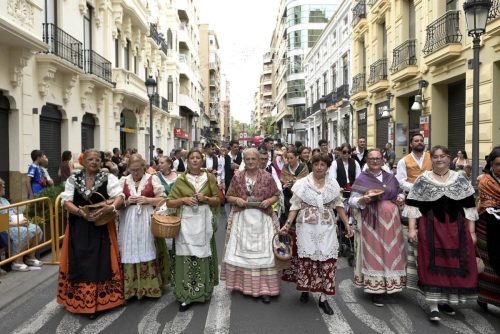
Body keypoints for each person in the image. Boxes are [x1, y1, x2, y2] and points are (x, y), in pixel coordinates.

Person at [403, 145, 478, 322]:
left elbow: (469, 206)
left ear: (448, 158)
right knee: (430, 262)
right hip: (431, 227)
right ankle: (434, 305)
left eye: (442, 156)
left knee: (452, 264)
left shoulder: (460, 179)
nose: (439, 160)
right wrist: (412, 229)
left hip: (456, 229)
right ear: (432, 159)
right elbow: (413, 206)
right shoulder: (423, 180)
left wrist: (472, 232)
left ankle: (446, 301)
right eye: (435, 157)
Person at [280, 153, 353, 315]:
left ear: (327, 167)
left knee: (327, 260)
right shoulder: (302, 183)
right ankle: (305, 289)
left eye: (323, 165)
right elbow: (295, 206)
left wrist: (347, 225)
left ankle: (324, 298)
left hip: (327, 228)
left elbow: (339, 205)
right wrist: (287, 225)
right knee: (306, 260)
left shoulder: (333, 184)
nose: (319, 167)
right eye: (316, 164)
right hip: (306, 227)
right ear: (312, 165)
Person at [57, 149, 124, 318]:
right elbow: (66, 201)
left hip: (102, 225)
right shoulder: (73, 179)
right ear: (83, 161)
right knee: (79, 260)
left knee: (101, 261)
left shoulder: (109, 178)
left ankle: (99, 302)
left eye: (97, 159)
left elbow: (120, 196)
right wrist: (81, 213)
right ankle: (81, 301)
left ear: (101, 162)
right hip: (78, 226)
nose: (94, 162)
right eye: (90, 159)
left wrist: (111, 207)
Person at [349, 149, 406, 306]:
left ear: (383, 160)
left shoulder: (390, 177)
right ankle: (377, 290)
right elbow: (352, 201)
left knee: (392, 251)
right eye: (371, 159)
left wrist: (401, 198)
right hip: (371, 221)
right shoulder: (362, 178)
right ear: (366, 160)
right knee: (375, 253)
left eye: (378, 158)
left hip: (392, 223)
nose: (375, 161)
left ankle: (391, 284)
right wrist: (363, 199)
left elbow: (399, 194)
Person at [222, 148, 280, 303]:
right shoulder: (238, 177)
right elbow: (228, 196)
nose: (251, 162)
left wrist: (269, 201)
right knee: (243, 253)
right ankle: (243, 286)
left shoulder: (267, 177)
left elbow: (276, 194)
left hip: (263, 219)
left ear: (259, 159)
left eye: (254, 159)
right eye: (248, 159)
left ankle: (266, 289)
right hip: (243, 219)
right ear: (244, 160)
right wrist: (236, 200)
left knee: (265, 253)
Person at [166, 149, 220, 312]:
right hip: (186, 225)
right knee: (185, 256)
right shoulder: (181, 180)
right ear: (187, 161)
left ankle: (203, 292)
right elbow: (169, 202)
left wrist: (206, 199)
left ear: (202, 161)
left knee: (203, 255)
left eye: (198, 158)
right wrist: (183, 200)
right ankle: (185, 295)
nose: (195, 160)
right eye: (192, 158)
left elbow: (218, 200)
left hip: (204, 222)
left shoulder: (209, 177)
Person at [119, 154, 170, 300]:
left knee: (148, 246)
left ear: (144, 167)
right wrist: (127, 202)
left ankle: (150, 287)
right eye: (132, 170)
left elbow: (163, 199)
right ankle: (132, 288)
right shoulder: (123, 181)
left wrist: (148, 199)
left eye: (138, 169)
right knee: (131, 248)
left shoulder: (152, 179)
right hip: (129, 221)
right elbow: (116, 202)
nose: (135, 173)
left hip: (147, 218)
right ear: (128, 169)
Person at [0, 178, 43, 271]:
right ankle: (16, 261)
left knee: (36, 228)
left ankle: (30, 257)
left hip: (15, 223)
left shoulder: (4, 200)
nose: (4, 188)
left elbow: (14, 212)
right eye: (2, 186)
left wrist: (22, 219)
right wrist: (15, 223)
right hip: (5, 227)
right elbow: (1, 223)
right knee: (23, 232)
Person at [476, 147, 500, 310]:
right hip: (488, 226)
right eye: (498, 164)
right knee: (489, 263)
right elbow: (487, 204)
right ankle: (483, 297)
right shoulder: (485, 181)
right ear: (491, 164)